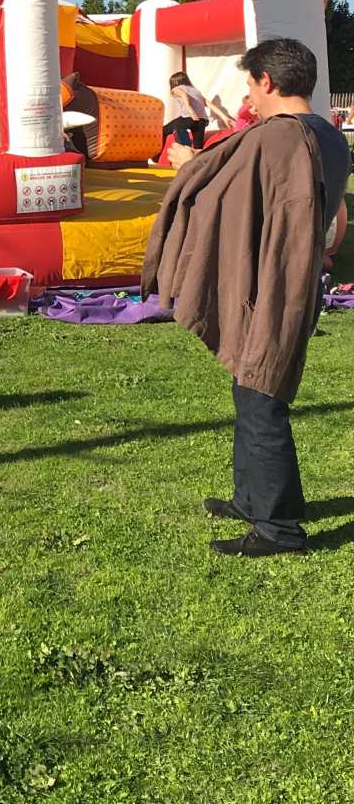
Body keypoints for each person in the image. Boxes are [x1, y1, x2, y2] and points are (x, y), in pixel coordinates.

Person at [145, 38, 350, 557]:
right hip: (287, 278)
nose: (249, 98)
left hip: (277, 284)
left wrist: (189, 162)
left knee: (262, 398)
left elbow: (222, 192)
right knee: (250, 388)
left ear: (268, 81)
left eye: (251, 85)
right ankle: (250, 499)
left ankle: (279, 530)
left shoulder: (279, 138)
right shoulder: (328, 134)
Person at [162, 71, 209, 149]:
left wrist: (190, 110)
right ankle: (194, 158)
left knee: (164, 130)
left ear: (175, 82)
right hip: (202, 121)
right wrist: (224, 117)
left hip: (188, 118)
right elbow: (208, 103)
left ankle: (156, 157)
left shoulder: (176, 88)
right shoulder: (196, 91)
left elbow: (184, 94)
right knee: (198, 147)